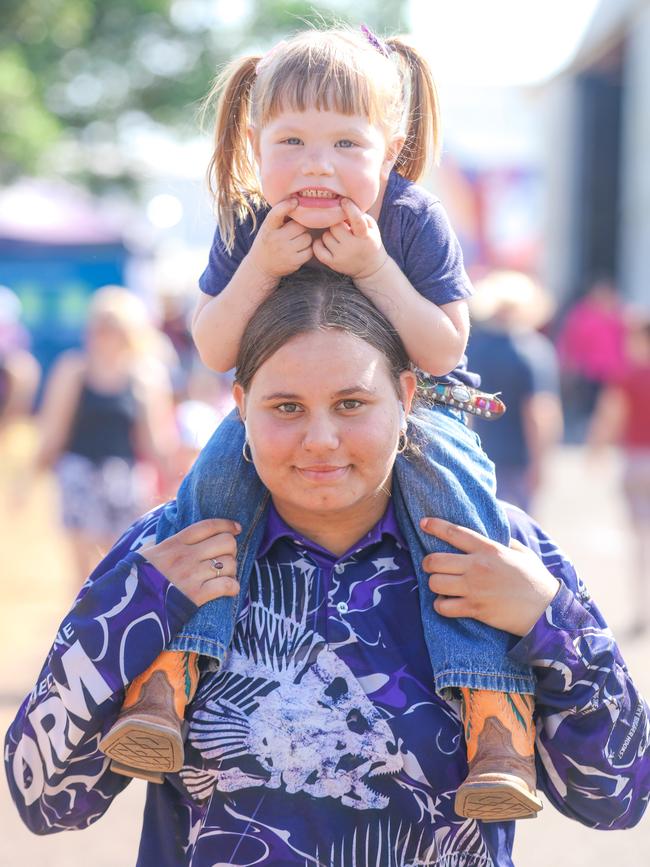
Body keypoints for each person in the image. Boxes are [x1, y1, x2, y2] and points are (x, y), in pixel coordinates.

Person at [5, 274, 649, 866]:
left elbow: (617, 800)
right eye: (285, 407)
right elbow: (47, 799)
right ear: (241, 405)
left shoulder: (504, 556)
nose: (320, 439)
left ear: (403, 398)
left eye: (351, 404)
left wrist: (549, 622)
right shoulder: (169, 554)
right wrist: (139, 605)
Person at [100, 25, 531, 823]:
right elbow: (213, 345)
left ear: (390, 149)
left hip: (422, 404)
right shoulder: (247, 223)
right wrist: (262, 262)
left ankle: (495, 714)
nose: (317, 164)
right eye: (291, 140)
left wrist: (374, 268)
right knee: (211, 489)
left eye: (345, 142)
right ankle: (168, 677)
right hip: (282, 409)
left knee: (458, 515)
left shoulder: (409, 218)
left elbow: (443, 346)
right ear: (255, 144)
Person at [33, 286, 179, 584]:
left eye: (110, 327)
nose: (101, 335)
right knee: (82, 574)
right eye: (98, 326)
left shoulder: (145, 376)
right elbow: (54, 430)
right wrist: (31, 477)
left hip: (124, 481)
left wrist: (175, 482)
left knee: (121, 568)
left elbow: (155, 441)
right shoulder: (73, 369)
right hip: (79, 476)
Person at [467, 271, 563, 512]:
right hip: (518, 457)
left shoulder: (474, 346)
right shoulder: (533, 350)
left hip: (477, 452)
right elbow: (540, 411)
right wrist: (540, 461)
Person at [588, 317, 650, 636]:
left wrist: (596, 447)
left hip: (637, 460)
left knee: (641, 539)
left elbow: (611, 414)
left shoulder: (627, 374)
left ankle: (642, 608)